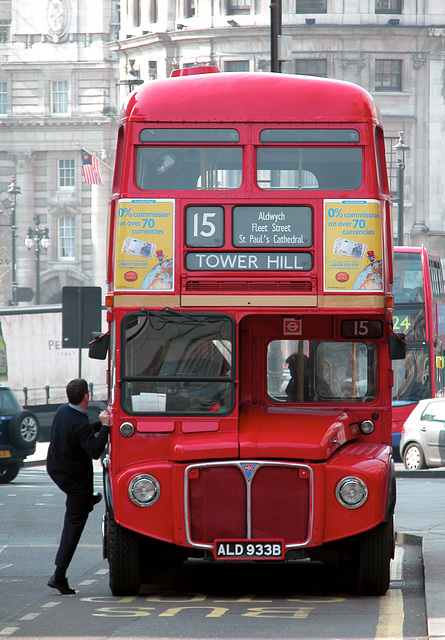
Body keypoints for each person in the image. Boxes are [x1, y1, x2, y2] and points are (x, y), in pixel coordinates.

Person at [46, 378, 111, 595]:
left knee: (82, 501)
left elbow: (79, 433)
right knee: (74, 525)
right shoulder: (80, 422)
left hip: (57, 470)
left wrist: (99, 425)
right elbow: (94, 450)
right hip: (74, 479)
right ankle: (58, 575)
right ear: (86, 397)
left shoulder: (63, 411)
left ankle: (86, 500)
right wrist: (106, 428)